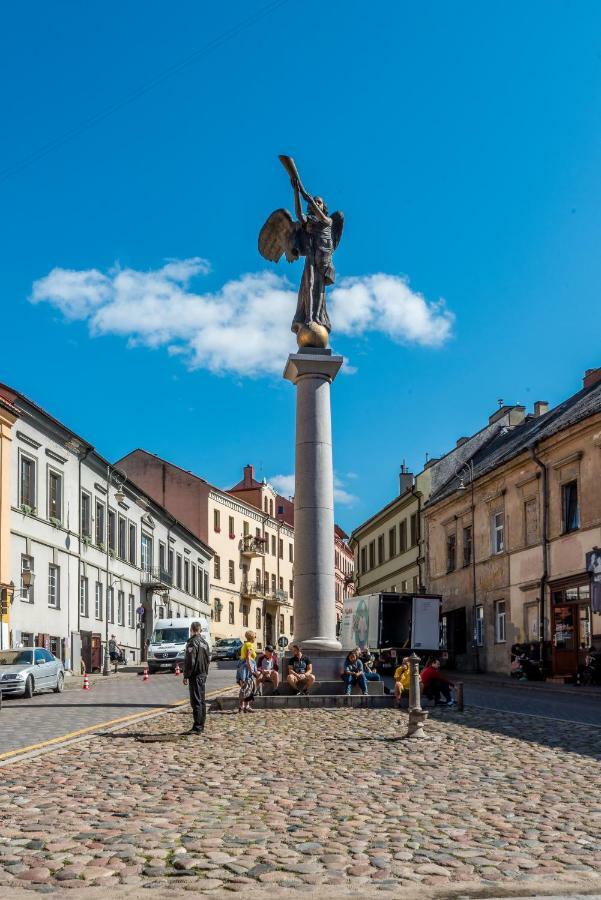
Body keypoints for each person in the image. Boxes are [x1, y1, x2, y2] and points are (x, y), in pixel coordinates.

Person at [182, 621, 211, 735]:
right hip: (203, 673)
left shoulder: (192, 642)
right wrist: (205, 672)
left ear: (191, 630)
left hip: (195, 674)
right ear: (200, 630)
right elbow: (208, 660)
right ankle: (201, 724)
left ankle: (198, 726)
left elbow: (190, 661)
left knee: (196, 701)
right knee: (202, 700)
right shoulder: (205, 643)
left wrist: (186, 675)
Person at [237, 630, 257, 712]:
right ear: (252, 637)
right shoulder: (249, 645)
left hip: (242, 667)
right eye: (255, 636)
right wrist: (251, 670)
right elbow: (248, 658)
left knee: (244, 687)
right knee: (248, 686)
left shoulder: (244, 644)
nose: (255, 638)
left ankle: (242, 706)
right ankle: (246, 706)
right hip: (247, 667)